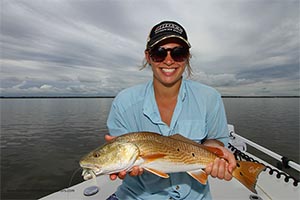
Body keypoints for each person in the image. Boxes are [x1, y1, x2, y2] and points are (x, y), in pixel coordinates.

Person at [105, 21, 236, 200]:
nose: (168, 60)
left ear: (187, 56)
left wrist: (216, 155)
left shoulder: (210, 97)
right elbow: (122, 158)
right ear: (148, 56)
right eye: (159, 53)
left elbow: (215, 140)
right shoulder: (123, 102)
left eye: (178, 52)